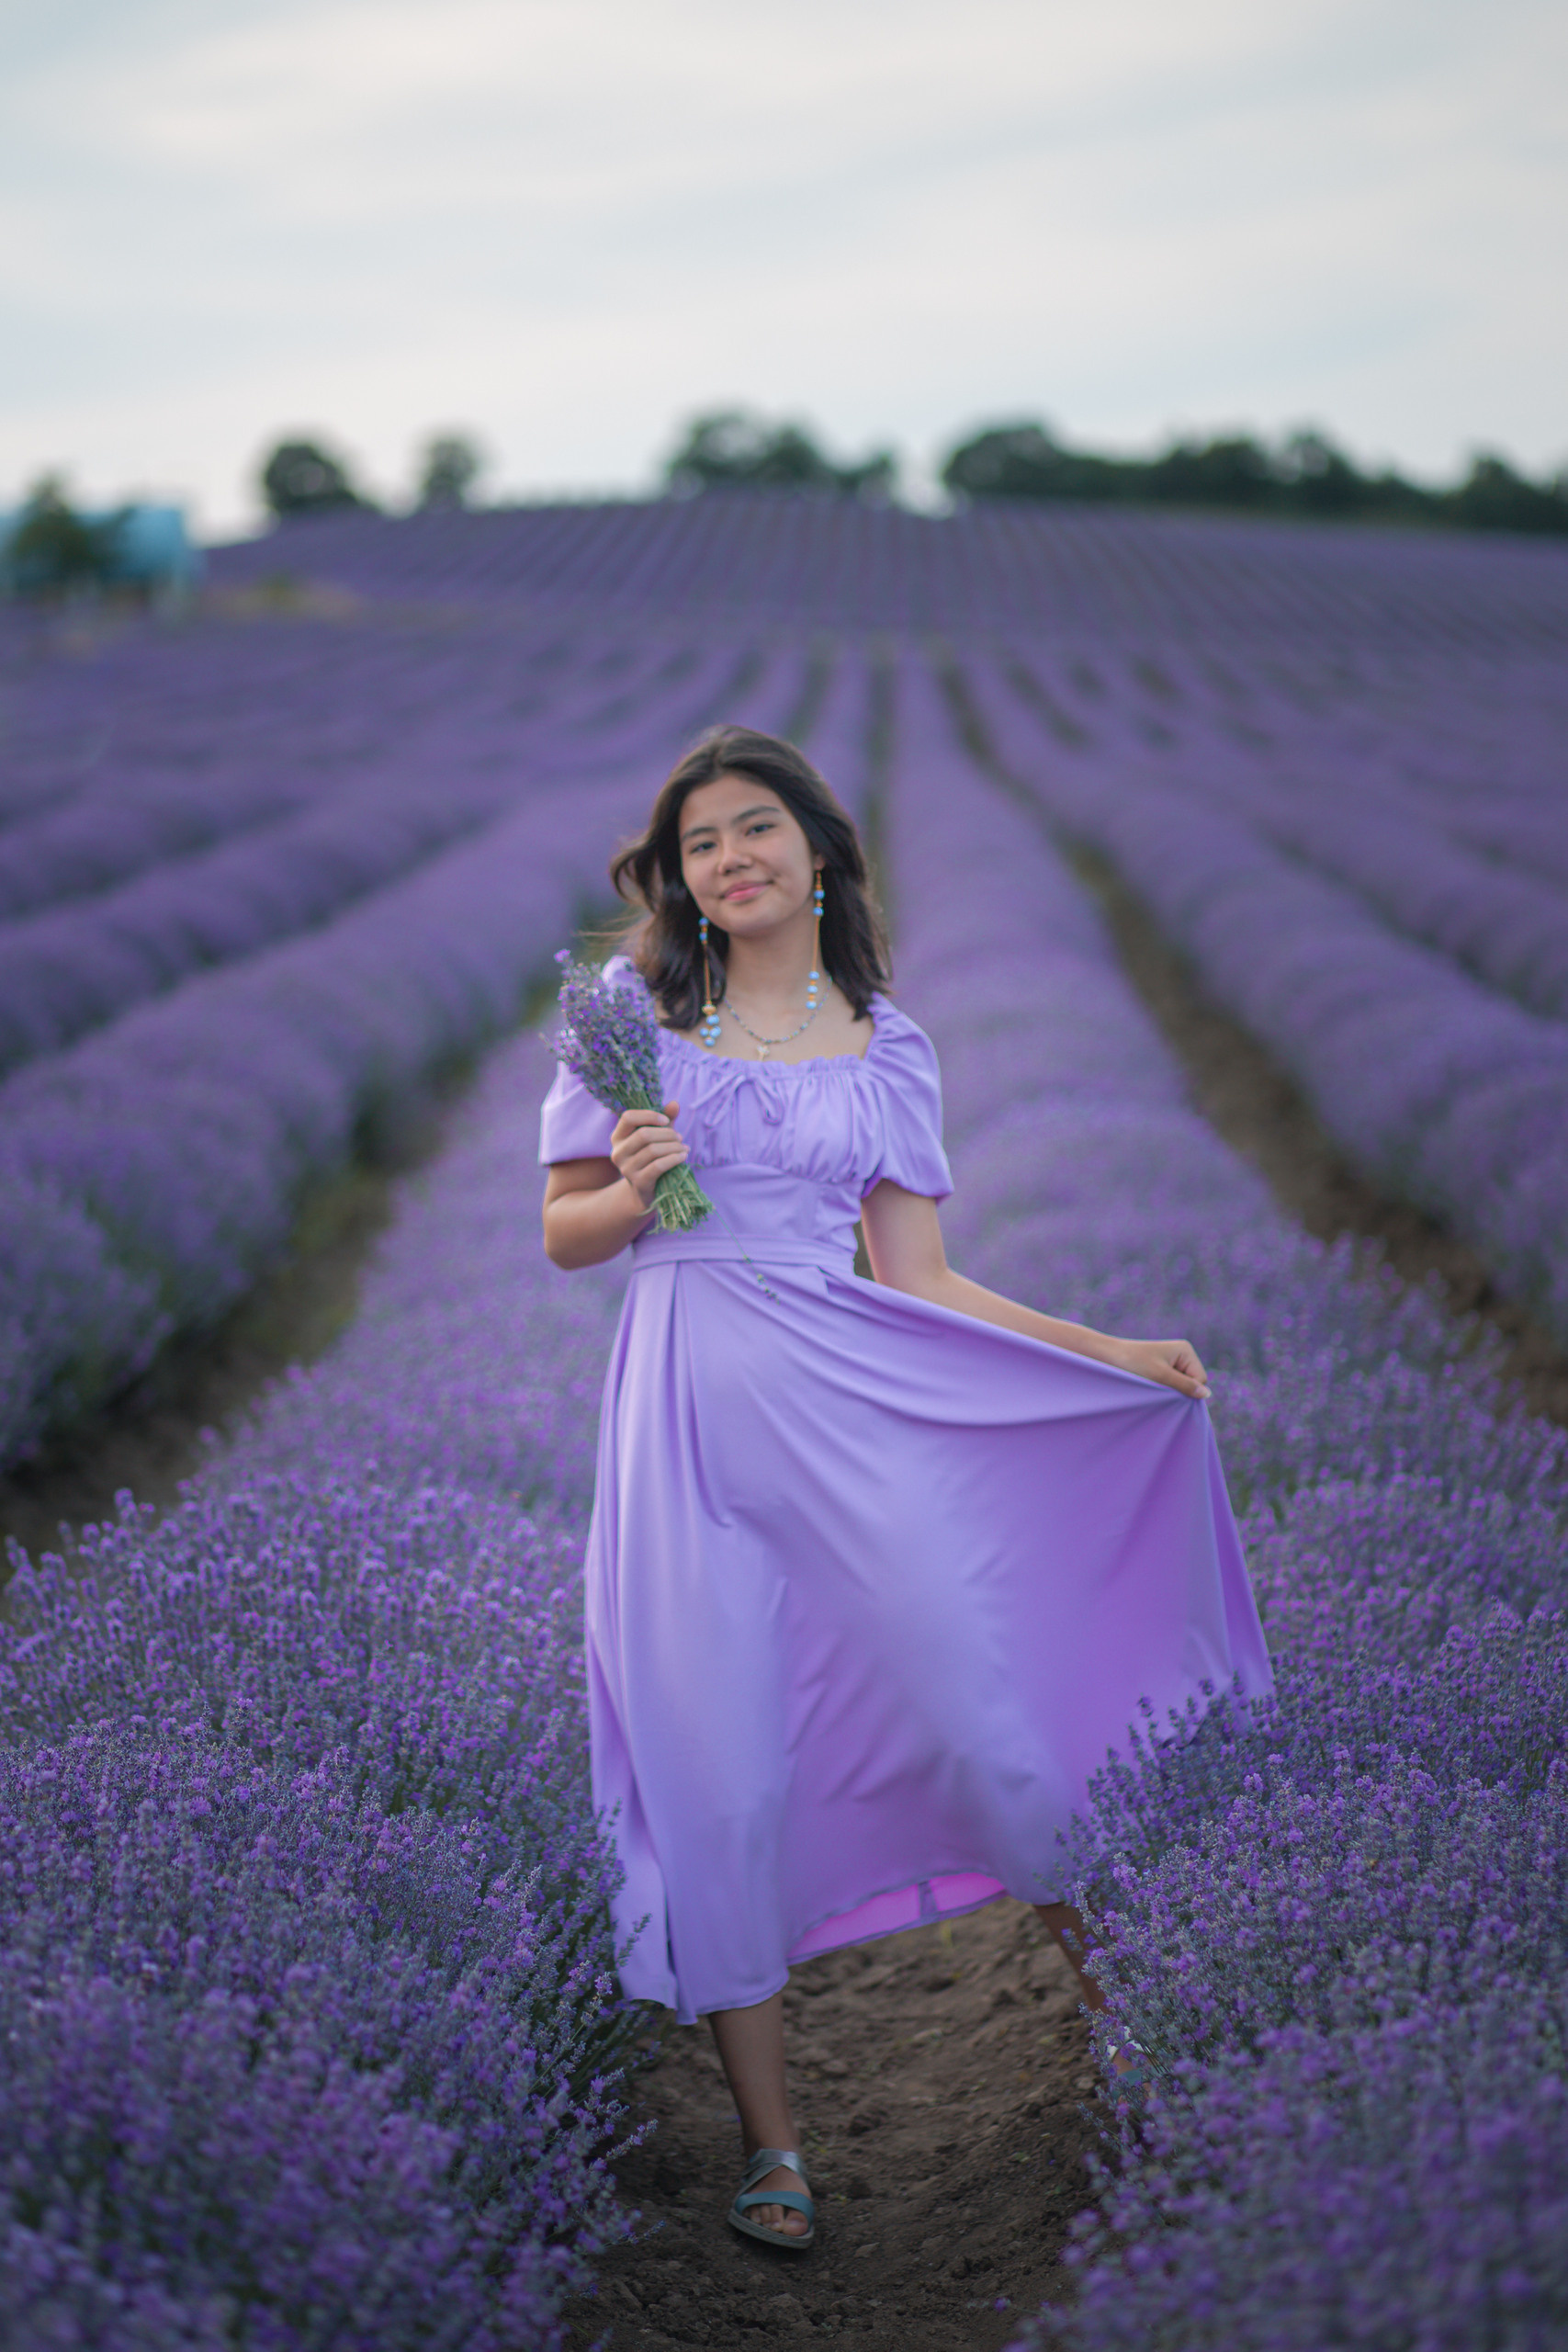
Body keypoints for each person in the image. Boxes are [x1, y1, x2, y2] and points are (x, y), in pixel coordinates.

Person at [540, 728, 1270, 2249]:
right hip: (682, 1428)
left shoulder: (889, 1046)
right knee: (719, 1775)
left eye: (755, 828)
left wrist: (1109, 1351)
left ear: (817, 848)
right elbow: (563, 1235)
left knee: (983, 1717)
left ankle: (1138, 2036)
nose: (729, 860)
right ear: (678, 877)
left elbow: (920, 1277)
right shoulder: (630, 1021)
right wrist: (634, 1182)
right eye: (699, 844)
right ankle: (775, 2150)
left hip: (849, 1415)